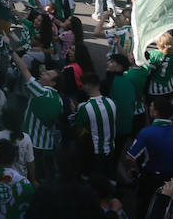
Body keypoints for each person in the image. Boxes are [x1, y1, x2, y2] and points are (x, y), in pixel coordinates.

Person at [125, 98, 173, 216]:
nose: (149, 107)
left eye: (151, 106)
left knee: (144, 207)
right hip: (172, 180)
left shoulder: (146, 132)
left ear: (156, 113)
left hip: (150, 178)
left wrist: (131, 169)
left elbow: (130, 157)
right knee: (166, 209)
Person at [10, 49, 62, 181]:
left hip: (33, 145)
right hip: (48, 144)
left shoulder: (40, 92)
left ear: (52, 83)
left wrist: (11, 50)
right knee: (44, 176)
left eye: (47, 74)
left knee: (31, 176)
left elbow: (23, 69)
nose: (43, 73)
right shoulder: (58, 98)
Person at [72, 73, 117, 180]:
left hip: (95, 152)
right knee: (109, 177)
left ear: (87, 86)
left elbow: (78, 130)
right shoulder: (111, 102)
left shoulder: (84, 108)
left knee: (95, 180)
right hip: (111, 149)